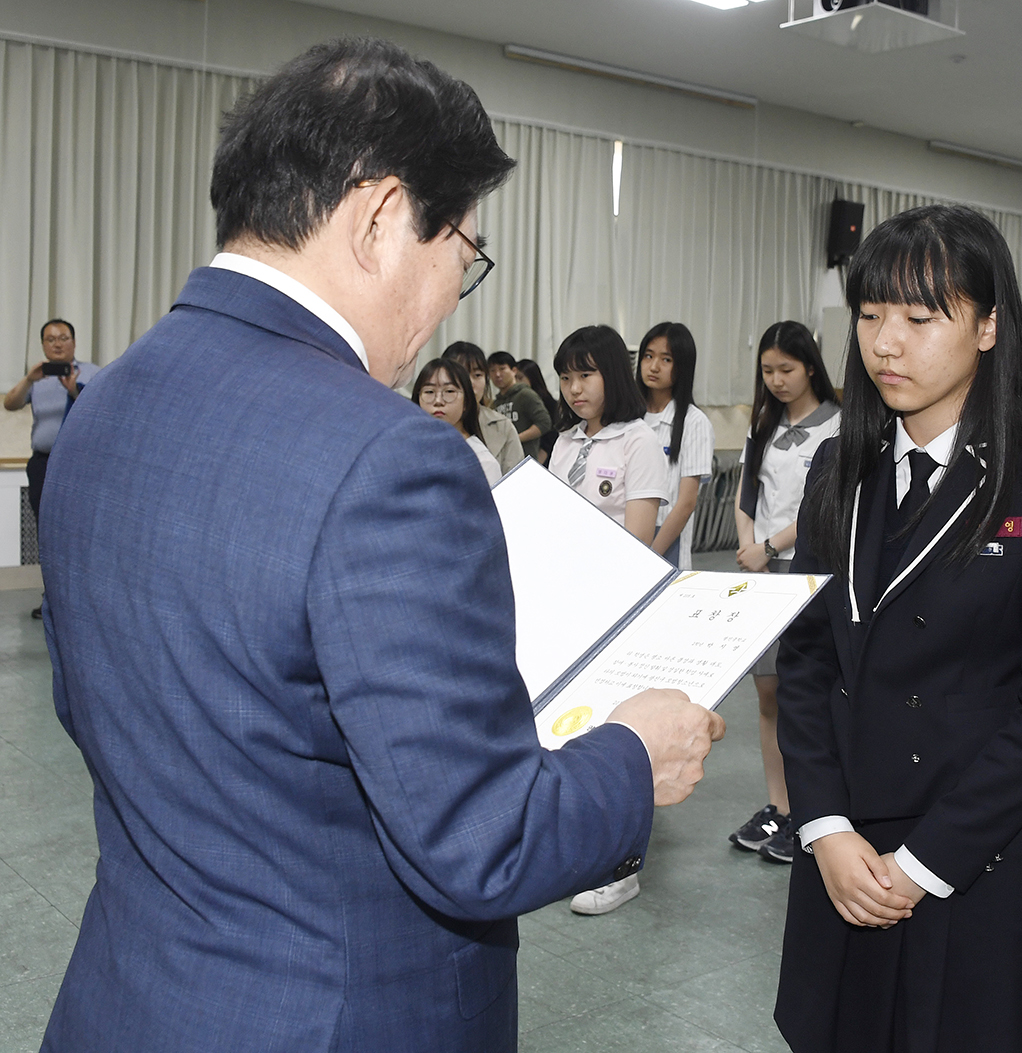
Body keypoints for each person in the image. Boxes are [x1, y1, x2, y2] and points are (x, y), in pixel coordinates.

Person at [35, 39, 724, 1053]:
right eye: (464, 254)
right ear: (379, 219)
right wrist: (634, 754)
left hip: (137, 994)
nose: (453, 295)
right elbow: (480, 842)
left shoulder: (107, 405)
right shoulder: (390, 457)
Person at [772, 204, 1022, 1053]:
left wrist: (922, 866)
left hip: (976, 852)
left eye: (921, 318)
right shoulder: (836, 466)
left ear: (989, 326)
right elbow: (808, 661)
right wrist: (823, 827)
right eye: (872, 314)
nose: (887, 342)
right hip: (846, 846)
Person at [546, 324, 671, 916]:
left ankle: (623, 866)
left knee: (623, 736)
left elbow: (641, 537)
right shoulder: (565, 442)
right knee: (574, 732)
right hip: (566, 603)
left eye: (585, 374)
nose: (574, 388)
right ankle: (579, 848)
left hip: (619, 606)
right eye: (566, 377)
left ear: (611, 376)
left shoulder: (638, 440)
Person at [729, 320, 840, 865]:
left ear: (811, 367)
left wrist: (769, 547)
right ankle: (780, 806)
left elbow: (823, 505)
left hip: (811, 571)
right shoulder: (764, 424)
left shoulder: (838, 426)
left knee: (808, 693)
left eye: (786, 370)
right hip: (764, 574)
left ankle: (814, 813)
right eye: (767, 371)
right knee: (768, 694)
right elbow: (747, 493)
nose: (775, 380)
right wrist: (750, 545)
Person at [3, 318, 100, 618]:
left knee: (80, 531)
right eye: (50, 339)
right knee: (47, 532)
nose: (57, 343)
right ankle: (52, 599)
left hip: (80, 465)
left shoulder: (94, 373)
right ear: (43, 345)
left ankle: (81, 599)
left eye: (63, 337)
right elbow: (10, 404)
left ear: (74, 341)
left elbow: (100, 412)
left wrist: (74, 390)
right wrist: (30, 379)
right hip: (43, 464)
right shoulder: (37, 377)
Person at [638, 322, 715, 568]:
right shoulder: (628, 418)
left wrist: (651, 555)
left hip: (665, 540)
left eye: (666, 359)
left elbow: (686, 504)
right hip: (628, 530)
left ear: (682, 366)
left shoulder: (694, 422)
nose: (654, 366)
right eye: (648, 356)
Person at [411, 357, 503, 484]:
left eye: (449, 391)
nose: (438, 401)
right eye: (429, 391)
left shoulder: (481, 461)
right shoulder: (409, 450)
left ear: (466, 402)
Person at [441, 340, 524, 473]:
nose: (470, 383)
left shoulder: (501, 425)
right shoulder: (428, 423)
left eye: (477, 375)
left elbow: (516, 481)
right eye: (461, 374)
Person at [488, 350, 551, 459]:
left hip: (525, 459)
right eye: (492, 370)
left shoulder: (525, 394)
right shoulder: (495, 403)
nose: (497, 374)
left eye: (502, 369)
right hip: (503, 460)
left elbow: (544, 423)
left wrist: (516, 438)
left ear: (514, 370)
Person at [515, 358, 561, 464]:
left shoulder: (548, 402)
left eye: (520, 378)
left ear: (532, 378)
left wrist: (538, 464)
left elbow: (550, 438)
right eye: (514, 378)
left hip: (543, 460)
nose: (516, 382)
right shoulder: (517, 401)